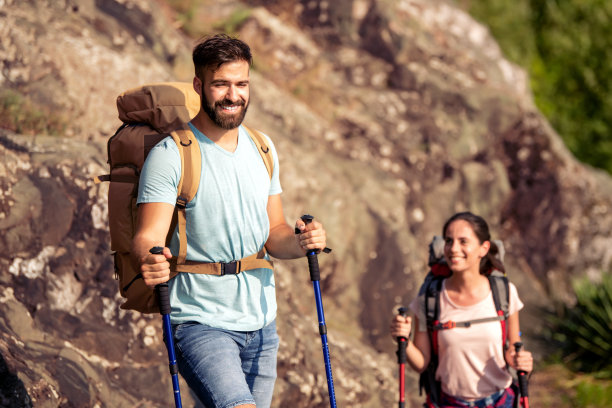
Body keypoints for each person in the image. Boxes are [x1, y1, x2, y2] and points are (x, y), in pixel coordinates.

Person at [132, 34, 328, 408]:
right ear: (199, 85)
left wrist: (303, 242)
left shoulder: (263, 147)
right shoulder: (171, 155)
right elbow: (147, 237)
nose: (233, 95)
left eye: (241, 84)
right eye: (221, 84)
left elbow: (274, 233)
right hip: (199, 322)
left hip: (261, 323)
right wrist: (149, 258)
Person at [390, 212, 533, 408]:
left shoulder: (505, 293)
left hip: (500, 402)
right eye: (449, 241)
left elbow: (513, 347)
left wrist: (521, 359)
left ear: (484, 248)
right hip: (449, 402)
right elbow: (421, 362)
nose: (454, 248)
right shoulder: (429, 298)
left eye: (463, 241)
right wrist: (404, 340)